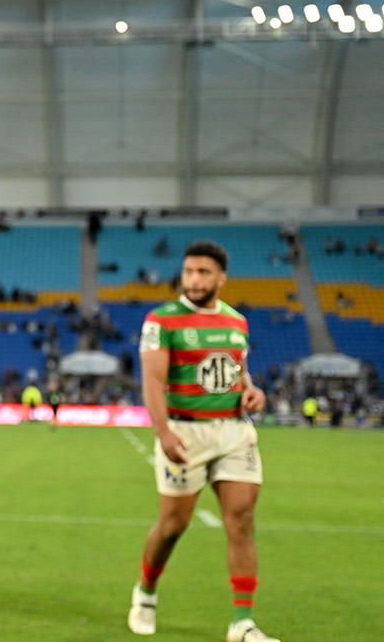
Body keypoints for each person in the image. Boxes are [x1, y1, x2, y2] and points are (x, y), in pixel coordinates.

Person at [128, 241, 279, 642]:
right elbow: (153, 382)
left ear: (221, 278)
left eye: (203, 273)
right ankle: (146, 592)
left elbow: (237, 373)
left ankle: (242, 623)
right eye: (189, 272)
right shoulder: (161, 321)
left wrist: (251, 390)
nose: (194, 280)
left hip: (233, 430)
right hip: (184, 431)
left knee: (242, 519)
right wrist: (163, 433)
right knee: (173, 525)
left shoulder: (236, 322)